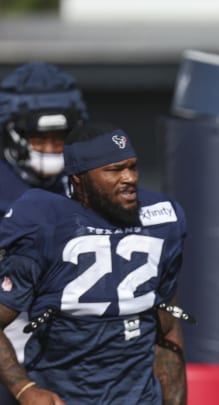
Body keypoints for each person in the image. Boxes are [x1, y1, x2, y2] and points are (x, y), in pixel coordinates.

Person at [0, 122, 189, 404]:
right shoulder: (46, 223)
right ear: (79, 179)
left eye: (132, 166)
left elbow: (167, 328)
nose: (129, 178)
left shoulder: (161, 221)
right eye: (114, 170)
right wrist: (25, 389)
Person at [0, 61, 88, 404]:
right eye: (40, 138)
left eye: (60, 138)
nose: (51, 148)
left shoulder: (87, 185)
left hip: (72, 358)